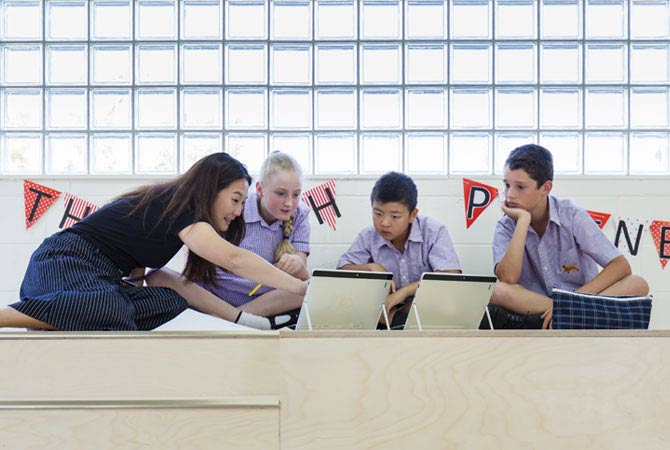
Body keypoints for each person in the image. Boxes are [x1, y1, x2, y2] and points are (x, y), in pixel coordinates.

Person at [1, 152, 306, 331]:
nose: (239, 211)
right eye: (235, 199)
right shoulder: (180, 208)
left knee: (169, 301)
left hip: (99, 278)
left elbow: (136, 269)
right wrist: (298, 287)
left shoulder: (169, 216)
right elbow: (234, 259)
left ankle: (64, 315)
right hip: (64, 262)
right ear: (211, 190)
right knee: (109, 305)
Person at [490, 144, 649, 329]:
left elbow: (620, 266)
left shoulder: (572, 215)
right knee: (497, 291)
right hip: (535, 304)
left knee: (638, 284)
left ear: (545, 187)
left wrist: (572, 302)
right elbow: (508, 279)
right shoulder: (505, 225)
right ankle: (568, 316)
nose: (510, 194)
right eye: (507, 185)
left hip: (582, 298)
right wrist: (523, 221)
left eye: (520, 187)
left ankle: (566, 315)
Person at [197, 151, 309, 328]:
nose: (289, 203)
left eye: (296, 195)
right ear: (259, 189)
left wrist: (297, 263)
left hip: (263, 301)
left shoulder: (300, 215)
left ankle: (231, 318)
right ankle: (239, 318)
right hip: (217, 294)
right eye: (280, 193)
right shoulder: (237, 208)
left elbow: (301, 281)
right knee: (159, 276)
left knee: (310, 290)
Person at [337, 171, 462, 329]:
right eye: (377, 213)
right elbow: (342, 270)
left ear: (412, 215)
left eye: (395, 216)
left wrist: (404, 292)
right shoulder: (368, 236)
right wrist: (370, 267)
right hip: (383, 310)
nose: (385, 223)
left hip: (425, 308)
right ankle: (397, 319)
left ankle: (398, 318)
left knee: (446, 299)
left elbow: (451, 276)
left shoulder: (434, 231)